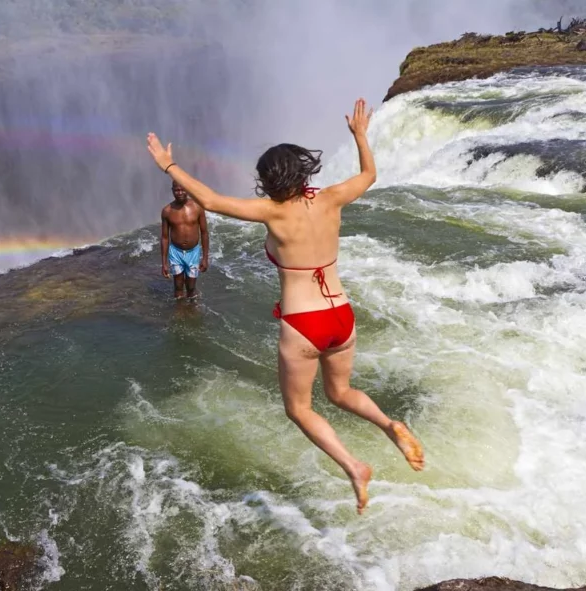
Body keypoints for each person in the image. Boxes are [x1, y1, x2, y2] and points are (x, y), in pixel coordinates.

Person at [145, 98, 423, 514]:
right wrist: (361, 135)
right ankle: (389, 424)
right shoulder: (331, 198)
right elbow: (369, 173)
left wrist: (169, 165)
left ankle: (354, 466)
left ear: (269, 181)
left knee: (299, 408)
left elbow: (212, 200)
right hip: (342, 316)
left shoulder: (271, 212)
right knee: (341, 392)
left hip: (303, 322)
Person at [161, 180, 209, 300]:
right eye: (177, 190)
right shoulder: (167, 211)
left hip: (193, 252)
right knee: (178, 286)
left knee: (191, 287)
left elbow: (204, 233)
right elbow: (165, 237)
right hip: (175, 252)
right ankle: (180, 310)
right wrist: (164, 263)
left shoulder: (197, 207)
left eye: (183, 189)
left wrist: (205, 258)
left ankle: (192, 309)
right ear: (172, 191)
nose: (180, 192)